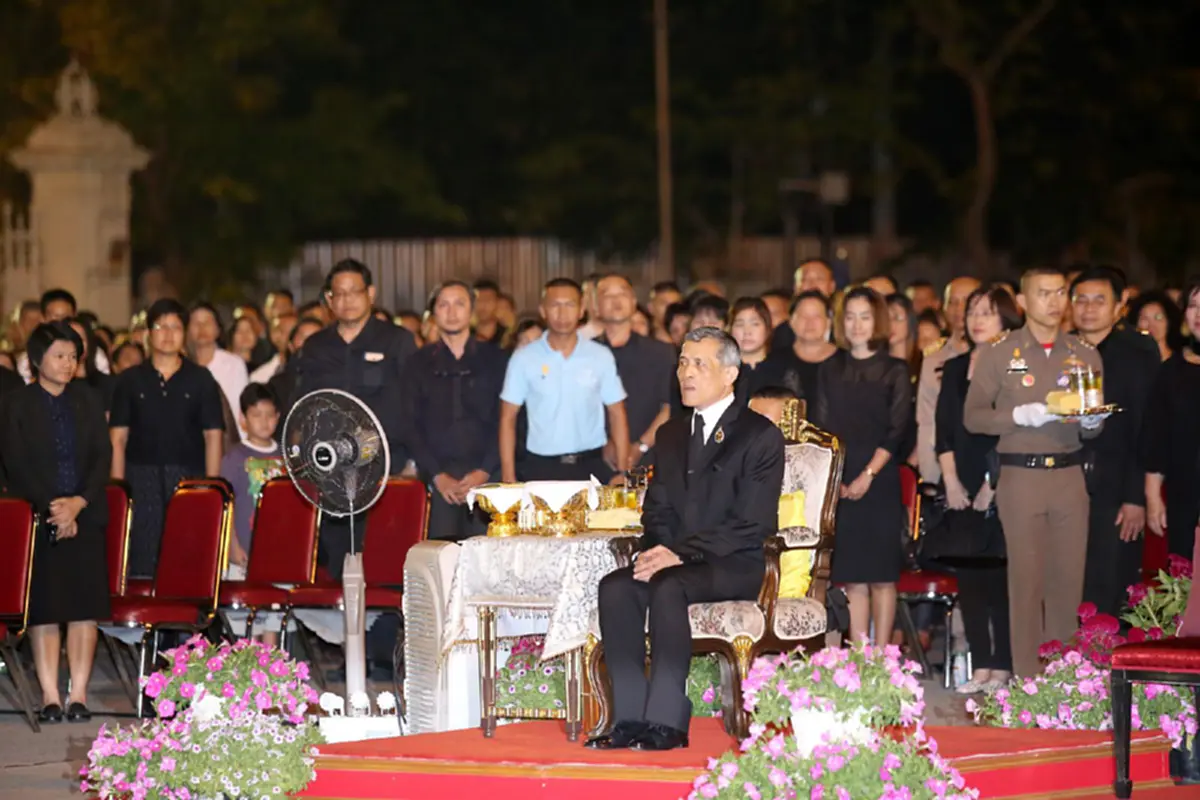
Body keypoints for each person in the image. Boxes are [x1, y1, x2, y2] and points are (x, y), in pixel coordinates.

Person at [587, 328, 784, 752]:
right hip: (676, 562)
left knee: (668, 585)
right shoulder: (671, 434)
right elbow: (656, 510)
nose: (686, 373)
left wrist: (679, 554)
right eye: (682, 363)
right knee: (616, 587)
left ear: (730, 374)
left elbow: (751, 523)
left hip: (735, 562)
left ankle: (666, 722)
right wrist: (657, 550)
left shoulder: (758, 435)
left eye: (699, 364)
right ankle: (628, 718)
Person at [964, 267, 1104, 677]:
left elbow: (1093, 419)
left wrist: (1092, 422)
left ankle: (1063, 681)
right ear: (1023, 301)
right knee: (1026, 584)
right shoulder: (999, 352)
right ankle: (1028, 680)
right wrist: (1016, 416)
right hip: (1021, 475)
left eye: (1060, 292)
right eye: (1044, 293)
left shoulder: (1084, 353)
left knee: (1068, 583)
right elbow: (973, 416)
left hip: (1069, 474)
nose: (1054, 301)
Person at [0, 322, 111, 722]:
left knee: (83, 608)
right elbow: (15, 462)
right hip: (37, 516)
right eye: (59, 356)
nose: (67, 364)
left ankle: (77, 694)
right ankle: (49, 695)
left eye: (73, 357)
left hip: (86, 513)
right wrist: (55, 509)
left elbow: (102, 456)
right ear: (36, 359)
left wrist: (78, 504)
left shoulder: (88, 399)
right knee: (44, 608)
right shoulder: (16, 404)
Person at [292, 258, 418, 574]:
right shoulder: (316, 347)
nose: (346, 300)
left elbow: (416, 404)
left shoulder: (397, 341)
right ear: (329, 299)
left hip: (388, 470)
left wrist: (414, 463)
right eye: (339, 293)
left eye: (354, 291)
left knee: (387, 565)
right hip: (332, 474)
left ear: (370, 293)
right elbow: (302, 407)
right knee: (338, 565)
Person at [812, 286, 913, 646]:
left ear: (878, 321)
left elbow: (897, 430)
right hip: (840, 477)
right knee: (853, 577)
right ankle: (859, 658)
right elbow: (822, 428)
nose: (857, 325)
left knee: (883, 578)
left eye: (865, 317)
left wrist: (868, 474)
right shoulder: (829, 369)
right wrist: (836, 478)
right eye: (851, 317)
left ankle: (883, 659)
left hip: (880, 478)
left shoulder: (895, 370)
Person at [936, 286, 1022, 693]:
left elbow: (1013, 429)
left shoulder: (1014, 366)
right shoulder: (954, 368)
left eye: (987, 312)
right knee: (969, 581)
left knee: (1000, 580)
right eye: (972, 311)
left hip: (1004, 479)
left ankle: (1004, 665)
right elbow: (943, 431)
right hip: (961, 482)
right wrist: (951, 480)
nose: (977, 319)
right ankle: (982, 665)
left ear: (1006, 318)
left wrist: (993, 483)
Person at [110, 299, 225, 577]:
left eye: (175, 326)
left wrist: (211, 487)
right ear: (148, 333)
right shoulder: (129, 380)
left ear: (184, 333)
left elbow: (213, 437)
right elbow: (118, 439)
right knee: (142, 558)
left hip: (189, 478)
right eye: (161, 326)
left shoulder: (201, 379)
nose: (168, 333)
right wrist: (117, 490)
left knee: (187, 557)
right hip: (140, 478)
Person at [1070, 267, 1161, 616]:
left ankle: (1106, 651)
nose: (1089, 308)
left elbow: (1146, 426)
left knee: (1109, 582)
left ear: (1119, 305)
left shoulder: (1136, 351)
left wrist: (1135, 497)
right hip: (1066, 481)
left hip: (1117, 484)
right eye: (1081, 300)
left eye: (1099, 300)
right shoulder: (1061, 350)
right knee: (1069, 582)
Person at [499, 278, 629, 483]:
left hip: (591, 464)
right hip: (541, 467)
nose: (562, 313)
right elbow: (508, 417)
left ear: (581, 310)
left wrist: (622, 471)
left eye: (569, 305)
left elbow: (617, 412)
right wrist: (508, 476)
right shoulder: (524, 358)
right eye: (555, 305)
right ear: (543, 310)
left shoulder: (600, 356)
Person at [403, 280, 505, 541]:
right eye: (443, 305)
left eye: (460, 304)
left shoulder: (497, 359)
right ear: (433, 314)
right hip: (438, 480)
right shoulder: (417, 363)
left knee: (486, 556)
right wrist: (438, 475)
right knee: (440, 556)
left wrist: (484, 470)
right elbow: (410, 424)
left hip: (488, 476)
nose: (452, 312)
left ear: (472, 311)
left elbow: (506, 421)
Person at [594, 275, 674, 473]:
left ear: (634, 302)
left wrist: (641, 446)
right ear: (595, 306)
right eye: (607, 295)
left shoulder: (661, 352)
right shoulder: (585, 354)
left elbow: (669, 407)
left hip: (651, 458)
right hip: (595, 458)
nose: (616, 300)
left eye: (623, 293)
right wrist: (604, 444)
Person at [1144, 279, 1200, 558]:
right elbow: (1156, 438)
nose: (1198, 314)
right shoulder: (1171, 371)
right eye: (1193, 306)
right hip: (1184, 494)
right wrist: (1153, 496)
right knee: (1185, 573)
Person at [915, 277, 983, 484]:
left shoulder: (1001, 356)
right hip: (945, 471)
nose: (959, 309)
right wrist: (930, 477)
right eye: (952, 302)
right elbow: (927, 422)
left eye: (966, 301)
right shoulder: (933, 358)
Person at [219, 383, 285, 572]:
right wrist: (232, 547)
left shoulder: (287, 457)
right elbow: (225, 507)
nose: (264, 421)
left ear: (278, 417)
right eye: (256, 415)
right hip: (244, 554)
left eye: (270, 415)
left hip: (280, 550)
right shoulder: (234, 459)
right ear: (243, 418)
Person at [187, 302, 249, 437]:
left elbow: (240, 410)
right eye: (196, 323)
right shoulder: (183, 366)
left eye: (207, 322)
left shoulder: (234, 364)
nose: (202, 328)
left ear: (218, 329)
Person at [1129, 290, 1184, 362]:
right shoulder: (1130, 361)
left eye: (1158, 317)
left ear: (1168, 321)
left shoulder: (1183, 363)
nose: (1151, 325)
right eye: (1144, 318)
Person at [472, 279, 507, 344]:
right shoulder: (464, 337)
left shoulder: (508, 337)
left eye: (487, 300)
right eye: (478, 300)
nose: (482, 304)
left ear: (498, 303)